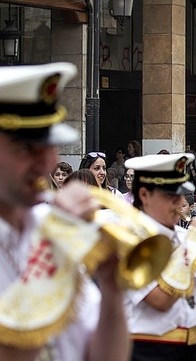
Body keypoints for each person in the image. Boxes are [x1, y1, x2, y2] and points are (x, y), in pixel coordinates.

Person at [0, 62, 129, 361]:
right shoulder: (55, 233)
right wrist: (52, 245)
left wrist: (112, 289)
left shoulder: (48, 225)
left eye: (50, 146)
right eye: (26, 148)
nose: (46, 165)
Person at [124, 153, 196, 361]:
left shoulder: (183, 237)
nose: (180, 203)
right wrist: (190, 253)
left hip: (195, 345)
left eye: (181, 196)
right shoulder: (131, 242)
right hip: (151, 349)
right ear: (144, 195)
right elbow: (160, 301)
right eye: (170, 196)